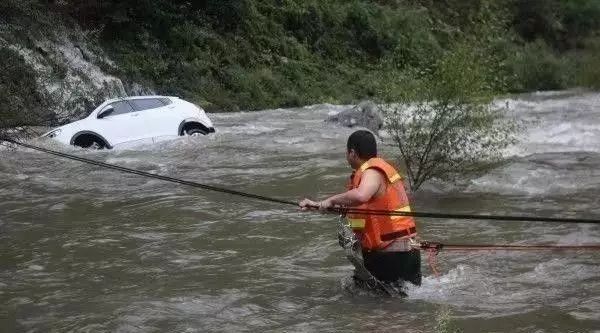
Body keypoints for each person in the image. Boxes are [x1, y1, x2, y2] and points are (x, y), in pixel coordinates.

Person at [299, 130, 421, 288]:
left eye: (347, 152)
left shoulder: (372, 172)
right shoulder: (371, 174)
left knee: (377, 305)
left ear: (352, 152)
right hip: (403, 252)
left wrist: (330, 199)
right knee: (395, 303)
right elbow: (353, 208)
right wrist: (317, 205)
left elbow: (361, 196)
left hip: (392, 254)